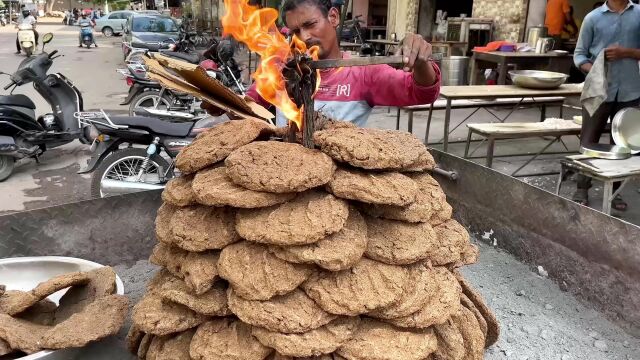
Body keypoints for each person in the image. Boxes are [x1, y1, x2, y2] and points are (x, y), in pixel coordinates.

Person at [245, 0, 440, 127]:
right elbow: (246, 106)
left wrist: (421, 62)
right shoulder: (283, 71)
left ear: (333, 17)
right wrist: (219, 101)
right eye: (295, 31)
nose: (304, 37)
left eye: (310, 25)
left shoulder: (362, 73)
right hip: (287, 175)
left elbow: (423, 92)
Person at [572, 0, 640, 210]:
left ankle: (616, 193)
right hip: (597, 91)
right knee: (589, 139)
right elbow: (579, 55)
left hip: (630, 90)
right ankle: (582, 187)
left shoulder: (638, 14)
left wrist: (627, 53)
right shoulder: (593, 18)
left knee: (623, 145)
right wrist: (596, 69)